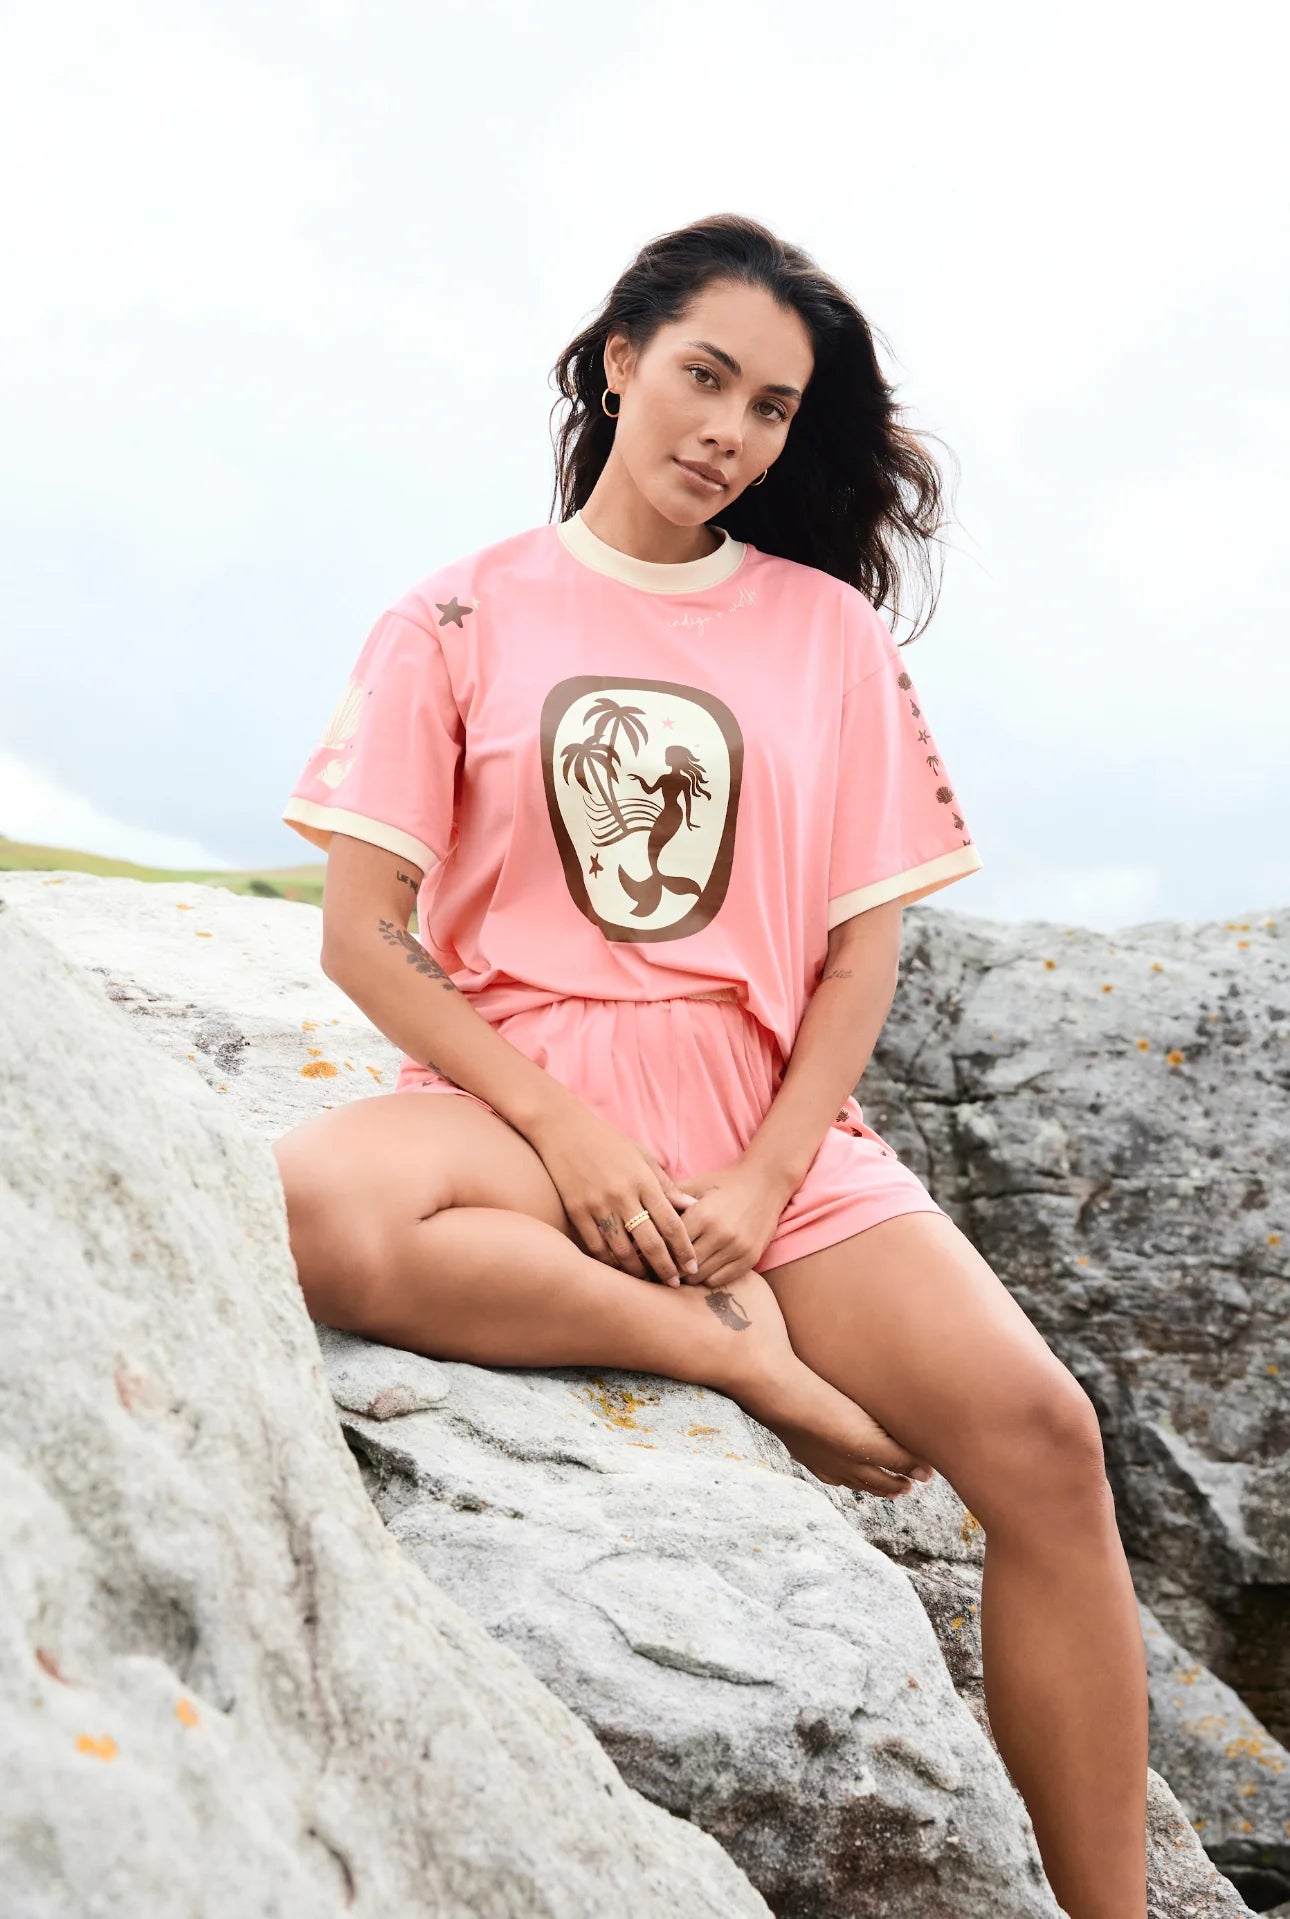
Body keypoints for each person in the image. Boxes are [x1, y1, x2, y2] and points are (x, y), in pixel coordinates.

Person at [271, 213, 1148, 1917]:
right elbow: (363, 935)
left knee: (1047, 1443)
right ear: (619, 362)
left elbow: (858, 951)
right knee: (312, 1208)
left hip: (765, 1126)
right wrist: (567, 1136)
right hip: (522, 1095)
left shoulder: (825, 634)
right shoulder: (451, 615)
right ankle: (725, 1351)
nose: (727, 431)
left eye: (770, 408)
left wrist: (762, 1179)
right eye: (702, 376)